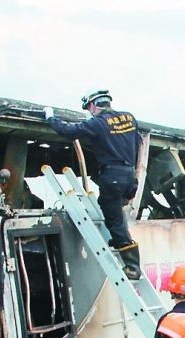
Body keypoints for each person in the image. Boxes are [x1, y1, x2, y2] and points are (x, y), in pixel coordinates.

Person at [44, 89, 141, 279]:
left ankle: (132, 267)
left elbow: (69, 132)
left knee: (112, 216)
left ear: (92, 105)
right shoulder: (129, 118)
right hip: (130, 175)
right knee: (115, 213)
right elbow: (136, 142)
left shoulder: (97, 123)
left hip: (113, 176)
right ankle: (120, 239)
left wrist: (50, 118)